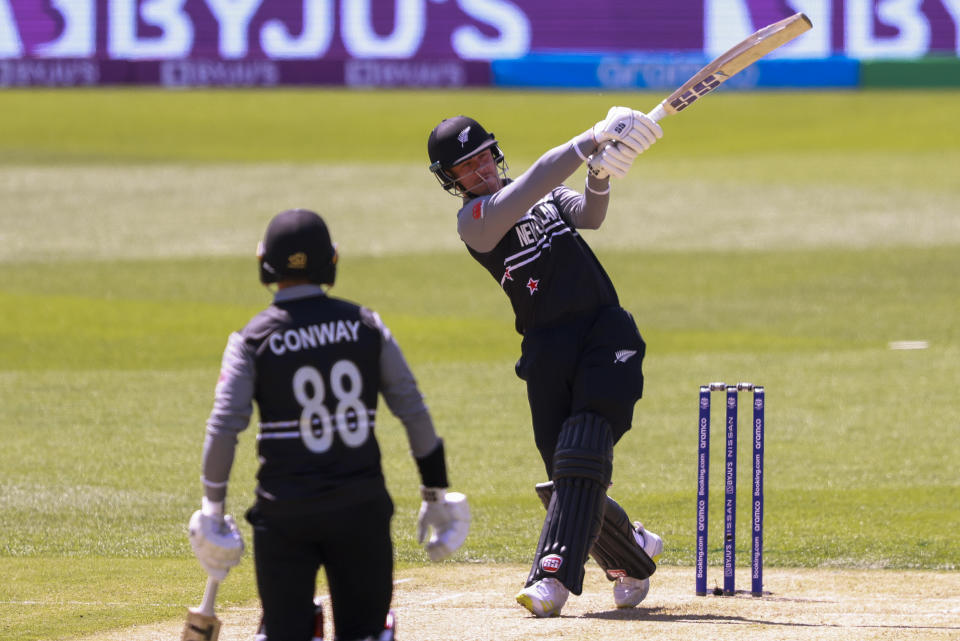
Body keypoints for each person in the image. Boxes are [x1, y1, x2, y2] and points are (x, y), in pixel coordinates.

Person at [187, 208, 470, 641]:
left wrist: (212, 510)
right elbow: (413, 411)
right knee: (365, 634)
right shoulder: (367, 325)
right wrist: (435, 492)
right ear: (331, 260)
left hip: (285, 514)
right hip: (360, 509)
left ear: (265, 264)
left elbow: (224, 427)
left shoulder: (250, 339)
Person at [426, 108, 664, 617]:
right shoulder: (475, 222)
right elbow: (533, 183)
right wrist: (592, 139)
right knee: (568, 475)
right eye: (466, 167)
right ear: (452, 181)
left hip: (604, 331)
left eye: (484, 155)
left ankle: (552, 578)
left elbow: (591, 215)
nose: (481, 169)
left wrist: (598, 175)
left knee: (581, 453)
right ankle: (632, 551)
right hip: (545, 348)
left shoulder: (548, 197)